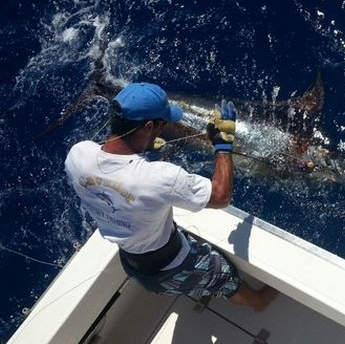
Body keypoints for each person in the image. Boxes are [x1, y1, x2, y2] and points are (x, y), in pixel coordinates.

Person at [65, 82, 277, 311]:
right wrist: (223, 146)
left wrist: (145, 152)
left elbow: (115, 169)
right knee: (227, 275)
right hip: (172, 269)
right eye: (162, 124)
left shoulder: (77, 155)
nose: (163, 128)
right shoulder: (160, 178)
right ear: (148, 126)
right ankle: (260, 302)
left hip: (131, 261)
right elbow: (221, 196)